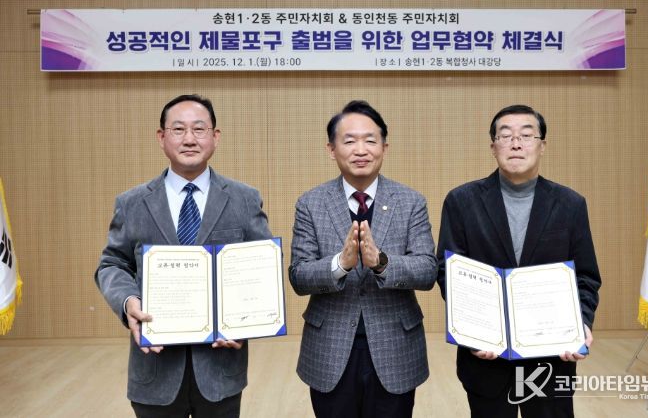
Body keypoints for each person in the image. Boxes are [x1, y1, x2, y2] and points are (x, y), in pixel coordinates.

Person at [95, 94, 271, 418]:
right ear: (161, 137)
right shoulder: (132, 203)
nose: (189, 139)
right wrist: (128, 301)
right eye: (178, 129)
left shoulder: (245, 199)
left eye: (199, 129)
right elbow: (112, 264)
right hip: (154, 370)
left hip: (221, 371)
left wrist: (247, 321)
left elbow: (261, 269)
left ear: (215, 137)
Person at [436, 104, 601, 418]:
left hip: (551, 357)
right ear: (493, 147)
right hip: (486, 357)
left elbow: (586, 277)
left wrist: (580, 324)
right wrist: (472, 333)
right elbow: (448, 273)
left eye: (526, 135)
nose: (515, 144)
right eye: (505, 136)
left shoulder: (570, 204)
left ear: (542, 145)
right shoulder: (461, 202)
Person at [289, 100, 437, 418]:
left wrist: (381, 262)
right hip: (330, 348)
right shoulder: (311, 203)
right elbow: (299, 276)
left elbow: (427, 270)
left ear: (384, 147)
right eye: (349, 141)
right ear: (331, 149)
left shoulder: (410, 201)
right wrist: (340, 264)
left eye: (370, 140)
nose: (361, 150)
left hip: (395, 347)